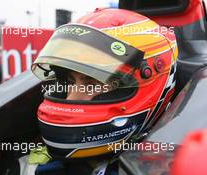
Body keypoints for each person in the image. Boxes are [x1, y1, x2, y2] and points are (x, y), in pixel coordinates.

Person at [23, 8, 178, 175]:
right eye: (69, 81)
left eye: (91, 83)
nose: (71, 96)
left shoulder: (169, 165)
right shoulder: (43, 166)